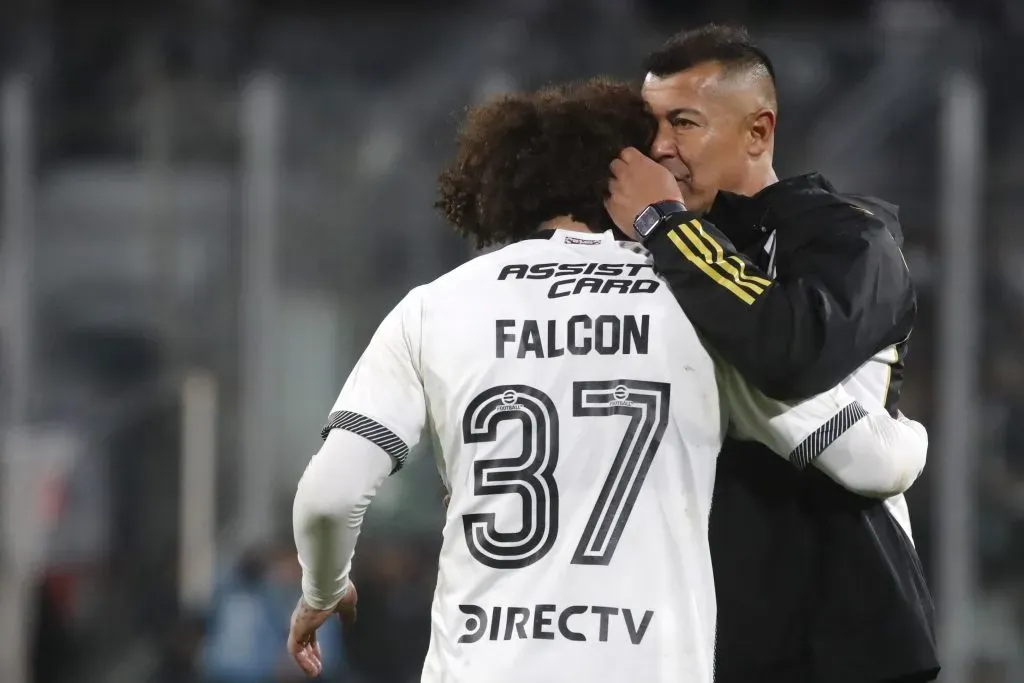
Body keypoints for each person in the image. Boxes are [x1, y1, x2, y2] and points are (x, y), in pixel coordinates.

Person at [285, 78, 928, 683]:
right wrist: (913, 437)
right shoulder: (699, 311)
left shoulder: (436, 306)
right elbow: (866, 461)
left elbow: (329, 493)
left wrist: (324, 586)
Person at [604, 24, 938, 683]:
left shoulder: (852, 240)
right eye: (649, 126)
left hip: (845, 639)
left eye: (684, 123)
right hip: (701, 640)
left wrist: (664, 226)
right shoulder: (654, 255)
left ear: (758, 132)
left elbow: (787, 350)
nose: (660, 148)